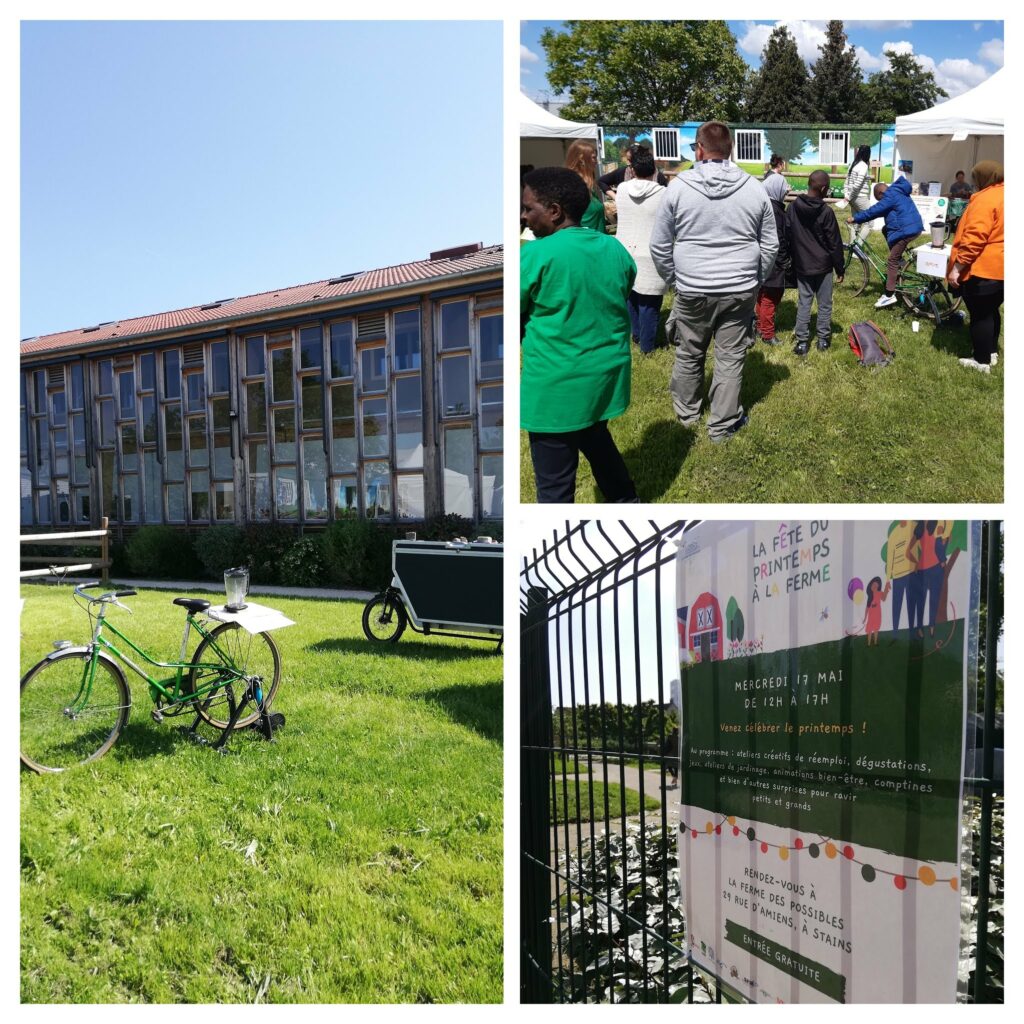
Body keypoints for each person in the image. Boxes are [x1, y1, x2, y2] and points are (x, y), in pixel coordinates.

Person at [649, 120, 778, 442]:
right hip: (739, 287)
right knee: (730, 357)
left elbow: (660, 244)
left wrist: (675, 281)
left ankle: (687, 415)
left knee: (689, 352)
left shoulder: (678, 187)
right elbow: (770, 244)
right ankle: (722, 425)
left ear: (700, 148)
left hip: (693, 286)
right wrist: (755, 277)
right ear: (731, 148)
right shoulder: (753, 187)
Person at [520, 167, 639, 503]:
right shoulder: (614, 249)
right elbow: (623, 287)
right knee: (598, 443)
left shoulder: (533, 255)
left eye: (529, 208)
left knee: (554, 486)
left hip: (555, 391)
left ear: (555, 211)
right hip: (602, 381)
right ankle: (627, 503)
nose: (524, 216)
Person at [947, 161, 1003, 373]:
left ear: (983, 177)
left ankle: (981, 361)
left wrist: (957, 268)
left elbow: (974, 239)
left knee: (980, 314)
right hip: (1003, 267)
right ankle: (991, 351)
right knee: (991, 311)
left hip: (985, 268)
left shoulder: (985, 199)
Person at [613, 147, 668, 355]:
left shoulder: (622, 189)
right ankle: (648, 346)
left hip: (625, 249)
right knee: (650, 303)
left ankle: (636, 335)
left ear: (633, 169)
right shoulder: (663, 193)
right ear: (653, 169)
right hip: (652, 252)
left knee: (632, 296)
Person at [786, 170, 844, 356]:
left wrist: (790, 258)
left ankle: (802, 342)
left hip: (802, 264)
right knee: (824, 303)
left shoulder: (793, 208)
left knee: (804, 302)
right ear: (825, 188)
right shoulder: (826, 212)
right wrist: (839, 267)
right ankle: (823, 340)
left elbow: (787, 235)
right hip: (824, 266)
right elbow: (834, 242)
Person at [848, 176, 924, 309]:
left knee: (891, 260)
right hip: (914, 226)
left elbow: (873, 211)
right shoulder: (898, 191)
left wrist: (855, 218)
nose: (879, 201)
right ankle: (901, 262)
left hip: (906, 230)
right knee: (885, 229)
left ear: (880, 193)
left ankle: (889, 295)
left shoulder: (888, 197)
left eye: (878, 198)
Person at [754, 172, 790, 345]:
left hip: (761, 259)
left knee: (762, 294)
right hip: (773, 261)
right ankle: (768, 334)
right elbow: (777, 239)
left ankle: (759, 326)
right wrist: (785, 261)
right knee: (771, 296)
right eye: (784, 187)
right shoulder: (774, 211)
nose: (786, 190)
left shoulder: (763, 205)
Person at [564, 140, 606, 233]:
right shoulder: (572, 186)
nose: (596, 161)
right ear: (581, 159)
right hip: (584, 243)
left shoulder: (589, 185)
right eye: (593, 158)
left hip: (595, 240)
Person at [599, 144, 669, 193]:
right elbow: (601, 181)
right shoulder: (621, 172)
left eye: (630, 160)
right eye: (627, 159)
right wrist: (615, 197)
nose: (627, 163)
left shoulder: (658, 176)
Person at [844, 144, 873, 245]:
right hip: (860, 197)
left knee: (855, 221)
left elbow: (847, 181)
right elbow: (857, 185)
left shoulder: (853, 164)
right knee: (869, 222)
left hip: (852, 198)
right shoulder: (864, 166)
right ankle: (858, 248)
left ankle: (852, 245)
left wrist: (846, 194)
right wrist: (849, 197)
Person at [863, 576, 891, 646]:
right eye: (873, 585)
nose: (875, 586)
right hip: (871, 617)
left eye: (876, 585)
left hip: (878, 615)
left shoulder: (879, 593)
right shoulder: (870, 596)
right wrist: (865, 618)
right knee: (869, 630)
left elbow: (884, 598)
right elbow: (867, 608)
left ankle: (875, 642)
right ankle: (868, 644)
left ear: (878, 586)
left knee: (876, 629)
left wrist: (886, 588)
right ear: (870, 586)